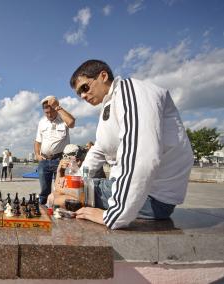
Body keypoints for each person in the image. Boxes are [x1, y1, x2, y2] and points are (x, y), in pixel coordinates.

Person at [69, 59, 193, 229]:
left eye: (85, 87)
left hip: (151, 197)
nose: (83, 96)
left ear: (103, 76)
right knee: (69, 187)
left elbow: (142, 156)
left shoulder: (130, 91)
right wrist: (77, 178)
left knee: (62, 196)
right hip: (142, 194)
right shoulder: (110, 103)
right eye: (79, 93)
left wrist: (115, 215)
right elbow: (99, 149)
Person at [34, 95, 75, 204]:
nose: (49, 114)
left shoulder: (63, 118)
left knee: (61, 190)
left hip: (60, 160)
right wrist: (38, 155)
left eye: (51, 111)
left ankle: (58, 212)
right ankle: (42, 213)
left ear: (55, 108)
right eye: (46, 112)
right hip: (44, 160)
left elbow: (71, 123)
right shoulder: (41, 122)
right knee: (44, 191)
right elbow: (37, 141)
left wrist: (58, 107)